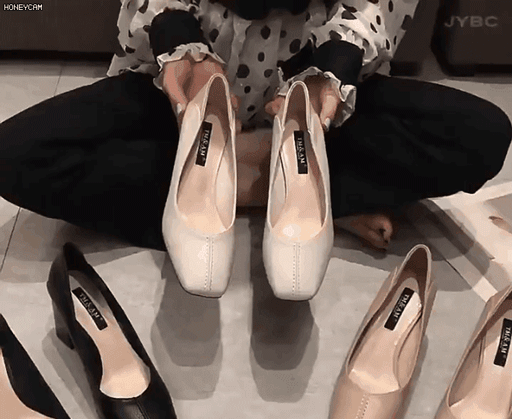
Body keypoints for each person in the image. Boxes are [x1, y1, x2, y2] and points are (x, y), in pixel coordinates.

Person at [0, 0, 510, 252]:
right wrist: (176, 35)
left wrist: (338, 59)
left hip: (316, 84)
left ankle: (214, 188)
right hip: (186, 83)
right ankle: (301, 193)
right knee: (15, 155)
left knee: (480, 135)